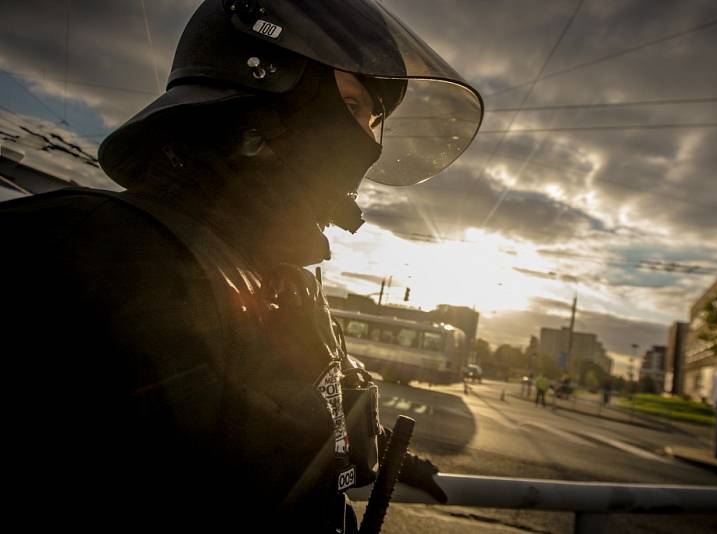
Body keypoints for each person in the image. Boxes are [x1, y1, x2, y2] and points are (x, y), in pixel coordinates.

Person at [1, 0, 482, 530]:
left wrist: (390, 451)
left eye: (373, 121)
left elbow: (314, 407)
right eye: (349, 106)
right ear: (256, 97)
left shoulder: (290, 287)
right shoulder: (73, 249)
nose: (366, 142)